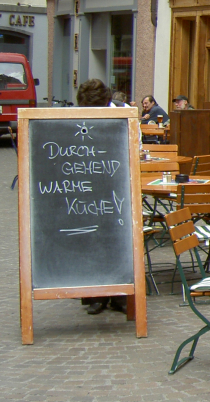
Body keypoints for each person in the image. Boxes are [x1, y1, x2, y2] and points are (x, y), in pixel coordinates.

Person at [75, 79, 126, 315]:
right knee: (89, 240)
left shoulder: (125, 115)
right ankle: (93, 294)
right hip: (87, 187)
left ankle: (119, 294)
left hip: (117, 187)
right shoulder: (74, 117)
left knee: (116, 240)